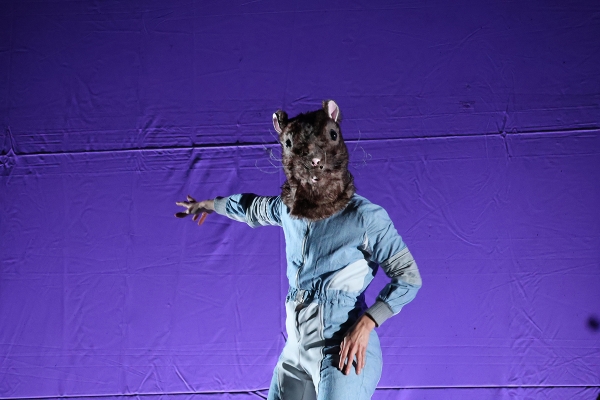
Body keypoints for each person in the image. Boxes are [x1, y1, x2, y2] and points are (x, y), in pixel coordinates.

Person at [176, 100, 422, 400]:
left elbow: (408, 277)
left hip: (341, 350)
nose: (315, 161)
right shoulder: (288, 210)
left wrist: (367, 323)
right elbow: (251, 208)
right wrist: (208, 205)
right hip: (296, 350)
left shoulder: (365, 217)